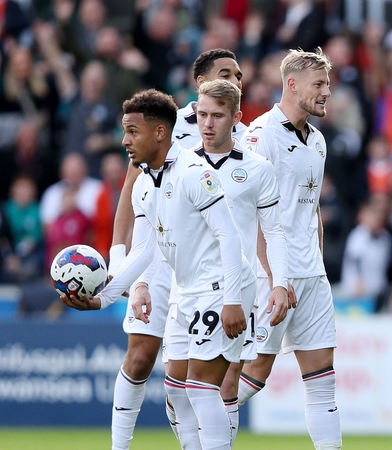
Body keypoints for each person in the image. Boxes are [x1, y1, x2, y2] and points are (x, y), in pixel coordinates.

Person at [61, 88, 253, 450]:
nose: (125, 141)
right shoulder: (144, 185)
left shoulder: (195, 172)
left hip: (222, 287)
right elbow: (144, 252)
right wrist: (103, 299)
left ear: (160, 133)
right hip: (188, 292)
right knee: (177, 387)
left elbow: (229, 237)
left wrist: (232, 301)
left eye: (133, 131)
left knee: (201, 386)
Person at [102, 48, 246, 450]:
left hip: (214, 268)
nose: (235, 81)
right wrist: (121, 267)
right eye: (225, 74)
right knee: (144, 359)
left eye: (238, 75)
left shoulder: (243, 136)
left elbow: (240, 220)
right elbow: (133, 198)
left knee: (211, 381)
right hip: (165, 264)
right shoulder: (162, 128)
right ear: (200, 83)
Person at [238, 48, 342, 450]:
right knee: (256, 372)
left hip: (312, 275)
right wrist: (276, 278)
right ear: (292, 84)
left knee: (322, 379)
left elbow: (311, 209)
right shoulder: (260, 136)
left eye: (328, 85)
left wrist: (317, 265)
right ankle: (198, 425)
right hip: (272, 276)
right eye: (319, 84)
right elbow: (252, 214)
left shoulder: (316, 140)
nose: (326, 93)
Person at [190, 78, 291, 446]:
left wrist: (279, 282)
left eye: (217, 115)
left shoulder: (258, 169)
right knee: (178, 390)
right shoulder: (179, 164)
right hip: (184, 288)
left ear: (236, 117)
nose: (208, 123)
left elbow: (275, 232)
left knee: (226, 379)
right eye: (202, 114)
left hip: (235, 288)